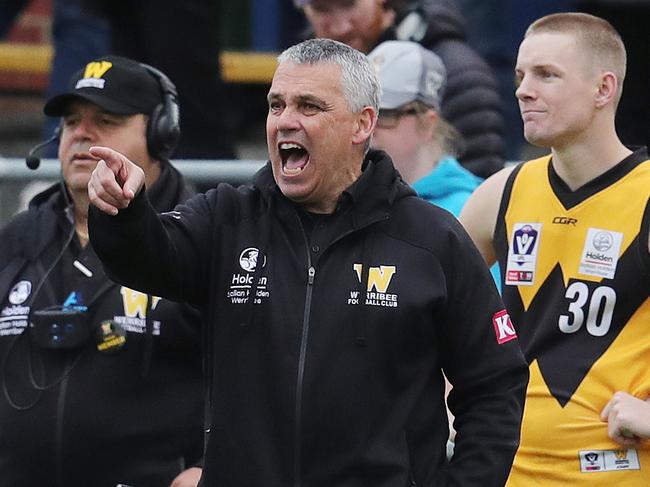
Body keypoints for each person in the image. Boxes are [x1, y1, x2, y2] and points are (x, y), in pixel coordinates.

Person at [87, 38, 528, 486]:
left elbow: (495, 383)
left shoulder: (432, 240)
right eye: (276, 105)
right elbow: (146, 257)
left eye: (309, 106)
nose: (285, 121)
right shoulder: (227, 220)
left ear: (362, 124)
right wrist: (123, 210)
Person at [459, 12, 650, 485]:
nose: (523, 89)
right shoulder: (500, 193)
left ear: (604, 89)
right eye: (522, 75)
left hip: (617, 471)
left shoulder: (645, 195)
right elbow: (427, 314)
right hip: (505, 472)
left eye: (547, 75)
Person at [0, 55, 203, 487]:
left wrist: (212, 468)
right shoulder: (17, 239)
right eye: (71, 121)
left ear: (161, 134)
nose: (81, 134)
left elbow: (257, 379)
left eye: (106, 120)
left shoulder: (199, 236)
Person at [294, 0, 505, 179]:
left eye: (349, 4)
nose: (341, 27)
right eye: (321, 9)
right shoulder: (303, 74)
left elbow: (481, 196)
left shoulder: (456, 74)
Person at [369, 40, 481, 217]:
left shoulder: (468, 211)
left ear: (428, 123)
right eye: (358, 114)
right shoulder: (347, 201)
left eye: (385, 114)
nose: (367, 128)